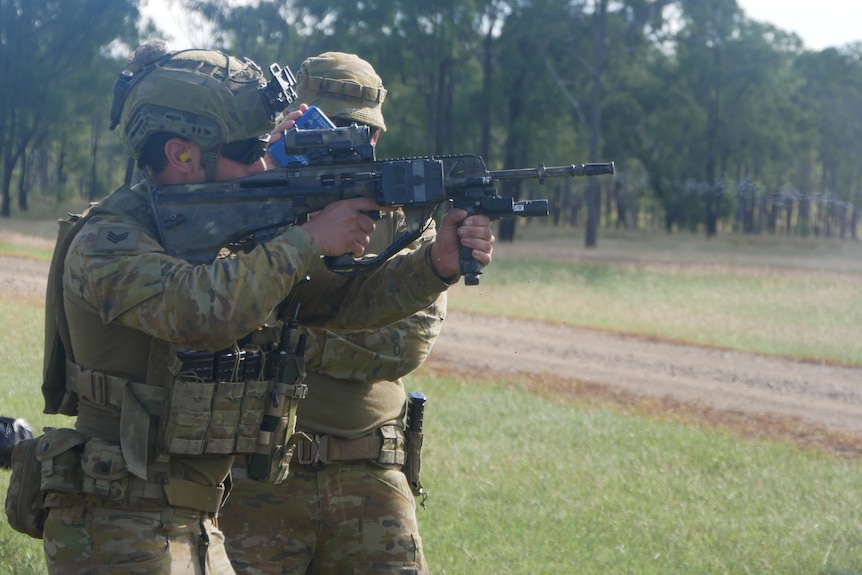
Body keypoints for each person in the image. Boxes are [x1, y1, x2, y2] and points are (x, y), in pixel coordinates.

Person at [35, 42, 494, 574]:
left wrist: (432, 266)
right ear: (183, 155)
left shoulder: (232, 244)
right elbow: (198, 312)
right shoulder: (109, 241)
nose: (263, 160)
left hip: (197, 516)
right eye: (249, 148)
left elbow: (330, 303)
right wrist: (306, 240)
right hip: (118, 516)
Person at [219, 52, 443, 575]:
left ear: (377, 137)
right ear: (293, 118)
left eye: (355, 129)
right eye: (328, 124)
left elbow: (404, 345)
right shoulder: (248, 201)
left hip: (371, 472)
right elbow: (210, 311)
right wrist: (269, 176)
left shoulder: (403, 218)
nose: (341, 140)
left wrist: (280, 335)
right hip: (259, 475)